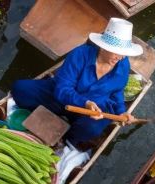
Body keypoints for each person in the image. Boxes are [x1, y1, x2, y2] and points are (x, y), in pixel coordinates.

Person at [11, 18, 143, 149]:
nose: (120, 57)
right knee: (20, 89)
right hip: (63, 98)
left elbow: (117, 91)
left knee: (91, 129)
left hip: (95, 108)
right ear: (103, 47)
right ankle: (53, 116)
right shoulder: (80, 54)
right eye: (117, 52)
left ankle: (66, 137)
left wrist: (121, 112)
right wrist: (84, 103)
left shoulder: (123, 64)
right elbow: (62, 88)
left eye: (124, 54)